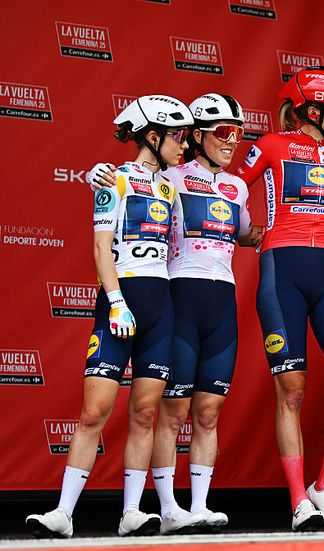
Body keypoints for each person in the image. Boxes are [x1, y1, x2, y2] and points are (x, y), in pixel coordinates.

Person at [86, 93, 262, 533]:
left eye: (238, 133)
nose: (232, 140)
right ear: (197, 135)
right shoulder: (172, 176)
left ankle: (197, 505)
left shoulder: (237, 186)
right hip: (178, 296)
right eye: (223, 131)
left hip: (223, 300)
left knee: (209, 411)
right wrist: (96, 175)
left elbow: (245, 233)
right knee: (171, 410)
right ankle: (167, 508)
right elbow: (125, 181)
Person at [26, 95, 193, 538]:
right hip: (120, 302)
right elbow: (101, 248)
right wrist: (117, 301)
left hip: (161, 306)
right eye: (178, 137)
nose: (185, 145)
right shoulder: (112, 180)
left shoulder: (171, 186)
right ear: (152, 137)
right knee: (94, 411)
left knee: (144, 414)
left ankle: (133, 513)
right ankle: (62, 512)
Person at [236, 67, 324, 532]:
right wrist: (238, 231)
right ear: (312, 111)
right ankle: (299, 501)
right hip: (282, 274)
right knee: (292, 391)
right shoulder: (273, 145)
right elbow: (230, 185)